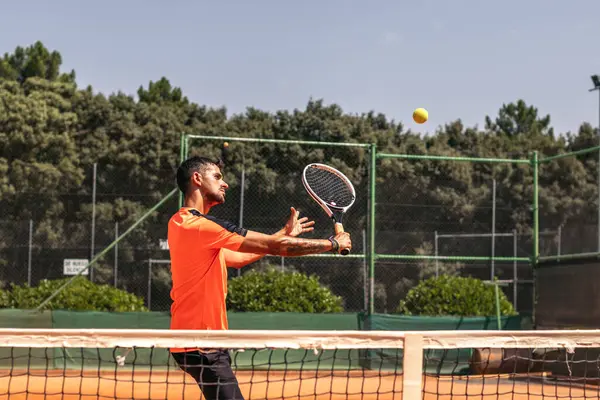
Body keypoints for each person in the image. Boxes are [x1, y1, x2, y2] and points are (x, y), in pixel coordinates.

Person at [167, 156, 352, 400]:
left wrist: (282, 234)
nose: (226, 184)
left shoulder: (181, 223)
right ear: (197, 179)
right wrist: (332, 243)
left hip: (197, 342)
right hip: (202, 343)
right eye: (217, 177)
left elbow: (237, 258)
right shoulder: (200, 226)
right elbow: (280, 248)